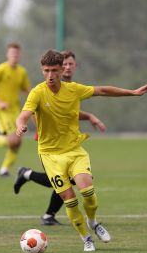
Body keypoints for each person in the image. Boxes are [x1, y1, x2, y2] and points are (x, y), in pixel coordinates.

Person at [16, 50, 147, 251]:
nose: (50, 75)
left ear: (61, 69)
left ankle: (93, 222)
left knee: (88, 192)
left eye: (54, 70)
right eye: (46, 70)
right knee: (70, 201)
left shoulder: (73, 89)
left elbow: (103, 91)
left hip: (74, 150)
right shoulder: (37, 92)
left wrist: (132, 92)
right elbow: (23, 115)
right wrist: (20, 125)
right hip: (50, 155)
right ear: (42, 70)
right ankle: (85, 237)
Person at [13, 51, 106, 226]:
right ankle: (28, 176)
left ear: (74, 67)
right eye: (66, 64)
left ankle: (47, 211)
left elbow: (69, 112)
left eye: (71, 64)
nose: (68, 67)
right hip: (50, 140)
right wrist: (27, 125)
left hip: (66, 141)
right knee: (66, 179)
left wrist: (90, 117)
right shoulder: (47, 86)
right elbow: (35, 109)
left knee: (67, 179)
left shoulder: (70, 87)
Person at [0, 42, 31, 177]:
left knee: (18, 141)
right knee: (14, 140)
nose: (14, 55)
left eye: (16, 53)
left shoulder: (22, 72)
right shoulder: (0, 69)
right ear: (7, 54)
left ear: (20, 55)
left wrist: (37, 102)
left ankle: (4, 170)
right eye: (12, 53)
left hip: (15, 110)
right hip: (2, 111)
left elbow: (27, 90)